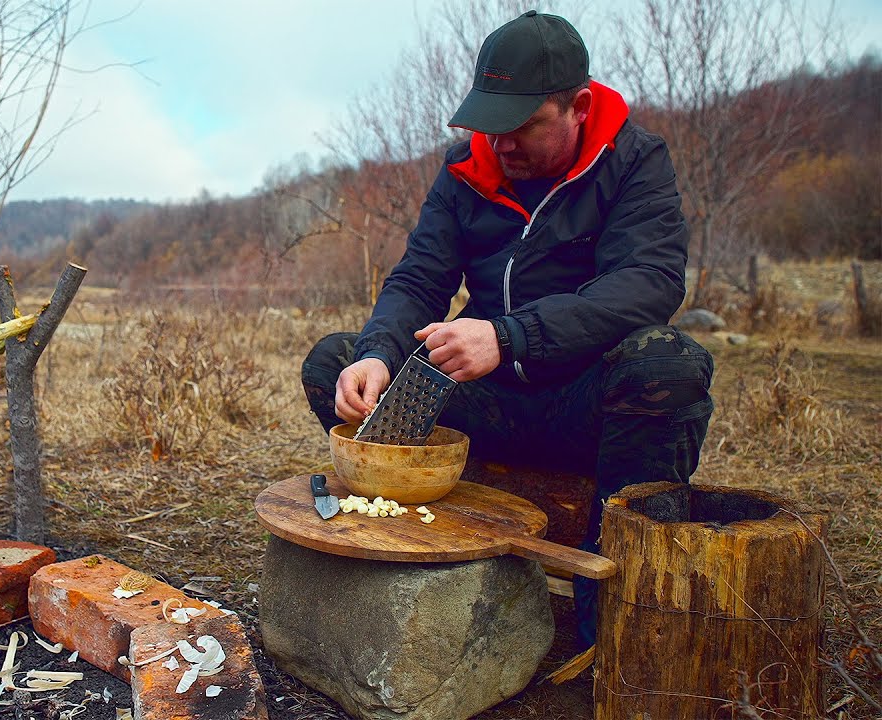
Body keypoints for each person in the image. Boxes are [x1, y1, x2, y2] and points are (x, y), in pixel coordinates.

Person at [300, 10, 714, 647]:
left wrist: (509, 336)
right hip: (483, 408)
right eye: (490, 126)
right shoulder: (467, 168)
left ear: (577, 107)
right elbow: (419, 279)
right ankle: (405, 578)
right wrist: (378, 353)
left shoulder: (634, 162)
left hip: (582, 407)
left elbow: (649, 284)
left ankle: (611, 623)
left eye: (521, 127)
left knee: (667, 363)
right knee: (336, 362)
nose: (502, 144)